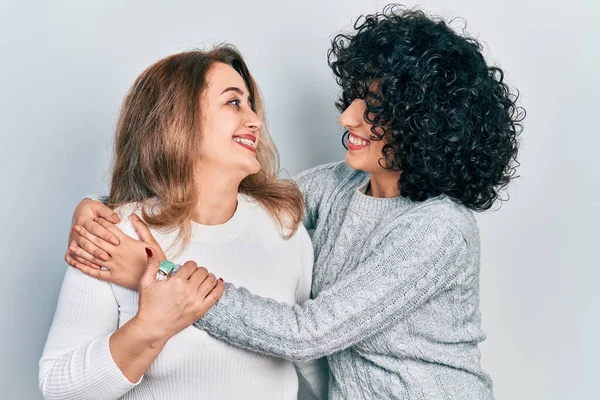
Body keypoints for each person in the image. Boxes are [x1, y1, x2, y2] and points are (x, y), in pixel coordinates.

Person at [67, 5, 524, 399]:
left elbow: (307, 335)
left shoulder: (439, 229)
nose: (347, 117)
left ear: (423, 123)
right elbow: (232, 198)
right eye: (355, 98)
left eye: (373, 108)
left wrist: (160, 273)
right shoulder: (339, 185)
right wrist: (105, 208)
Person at [40, 45, 328, 400]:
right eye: (234, 102)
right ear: (178, 120)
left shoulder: (284, 229)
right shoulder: (114, 235)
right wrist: (150, 328)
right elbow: (58, 388)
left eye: (251, 104)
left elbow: (314, 359)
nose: (255, 120)